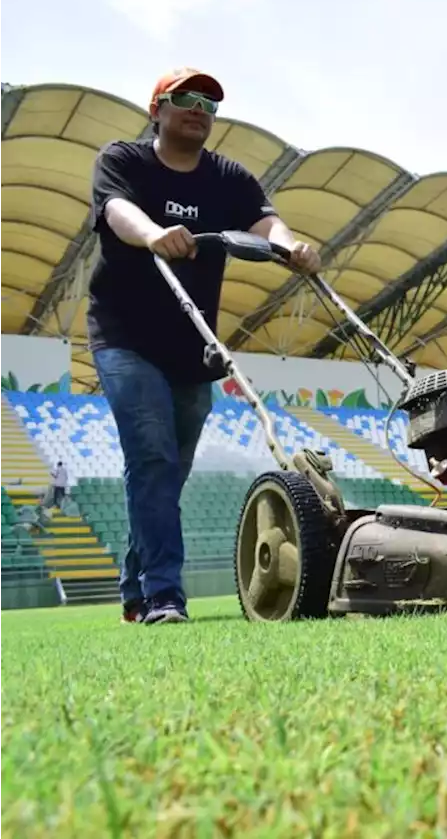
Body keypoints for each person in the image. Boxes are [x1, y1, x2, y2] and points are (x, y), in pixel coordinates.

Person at [88, 67, 321, 625]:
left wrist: (291, 248)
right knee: (153, 457)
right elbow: (117, 210)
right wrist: (152, 235)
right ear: (158, 110)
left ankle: (134, 584)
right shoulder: (123, 161)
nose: (200, 108)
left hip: (193, 350)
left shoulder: (227, 178)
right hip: (124, 339)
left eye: (210, 103)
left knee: (166, 473)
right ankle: (165, 594)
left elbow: (265, 222)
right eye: (186, 99)